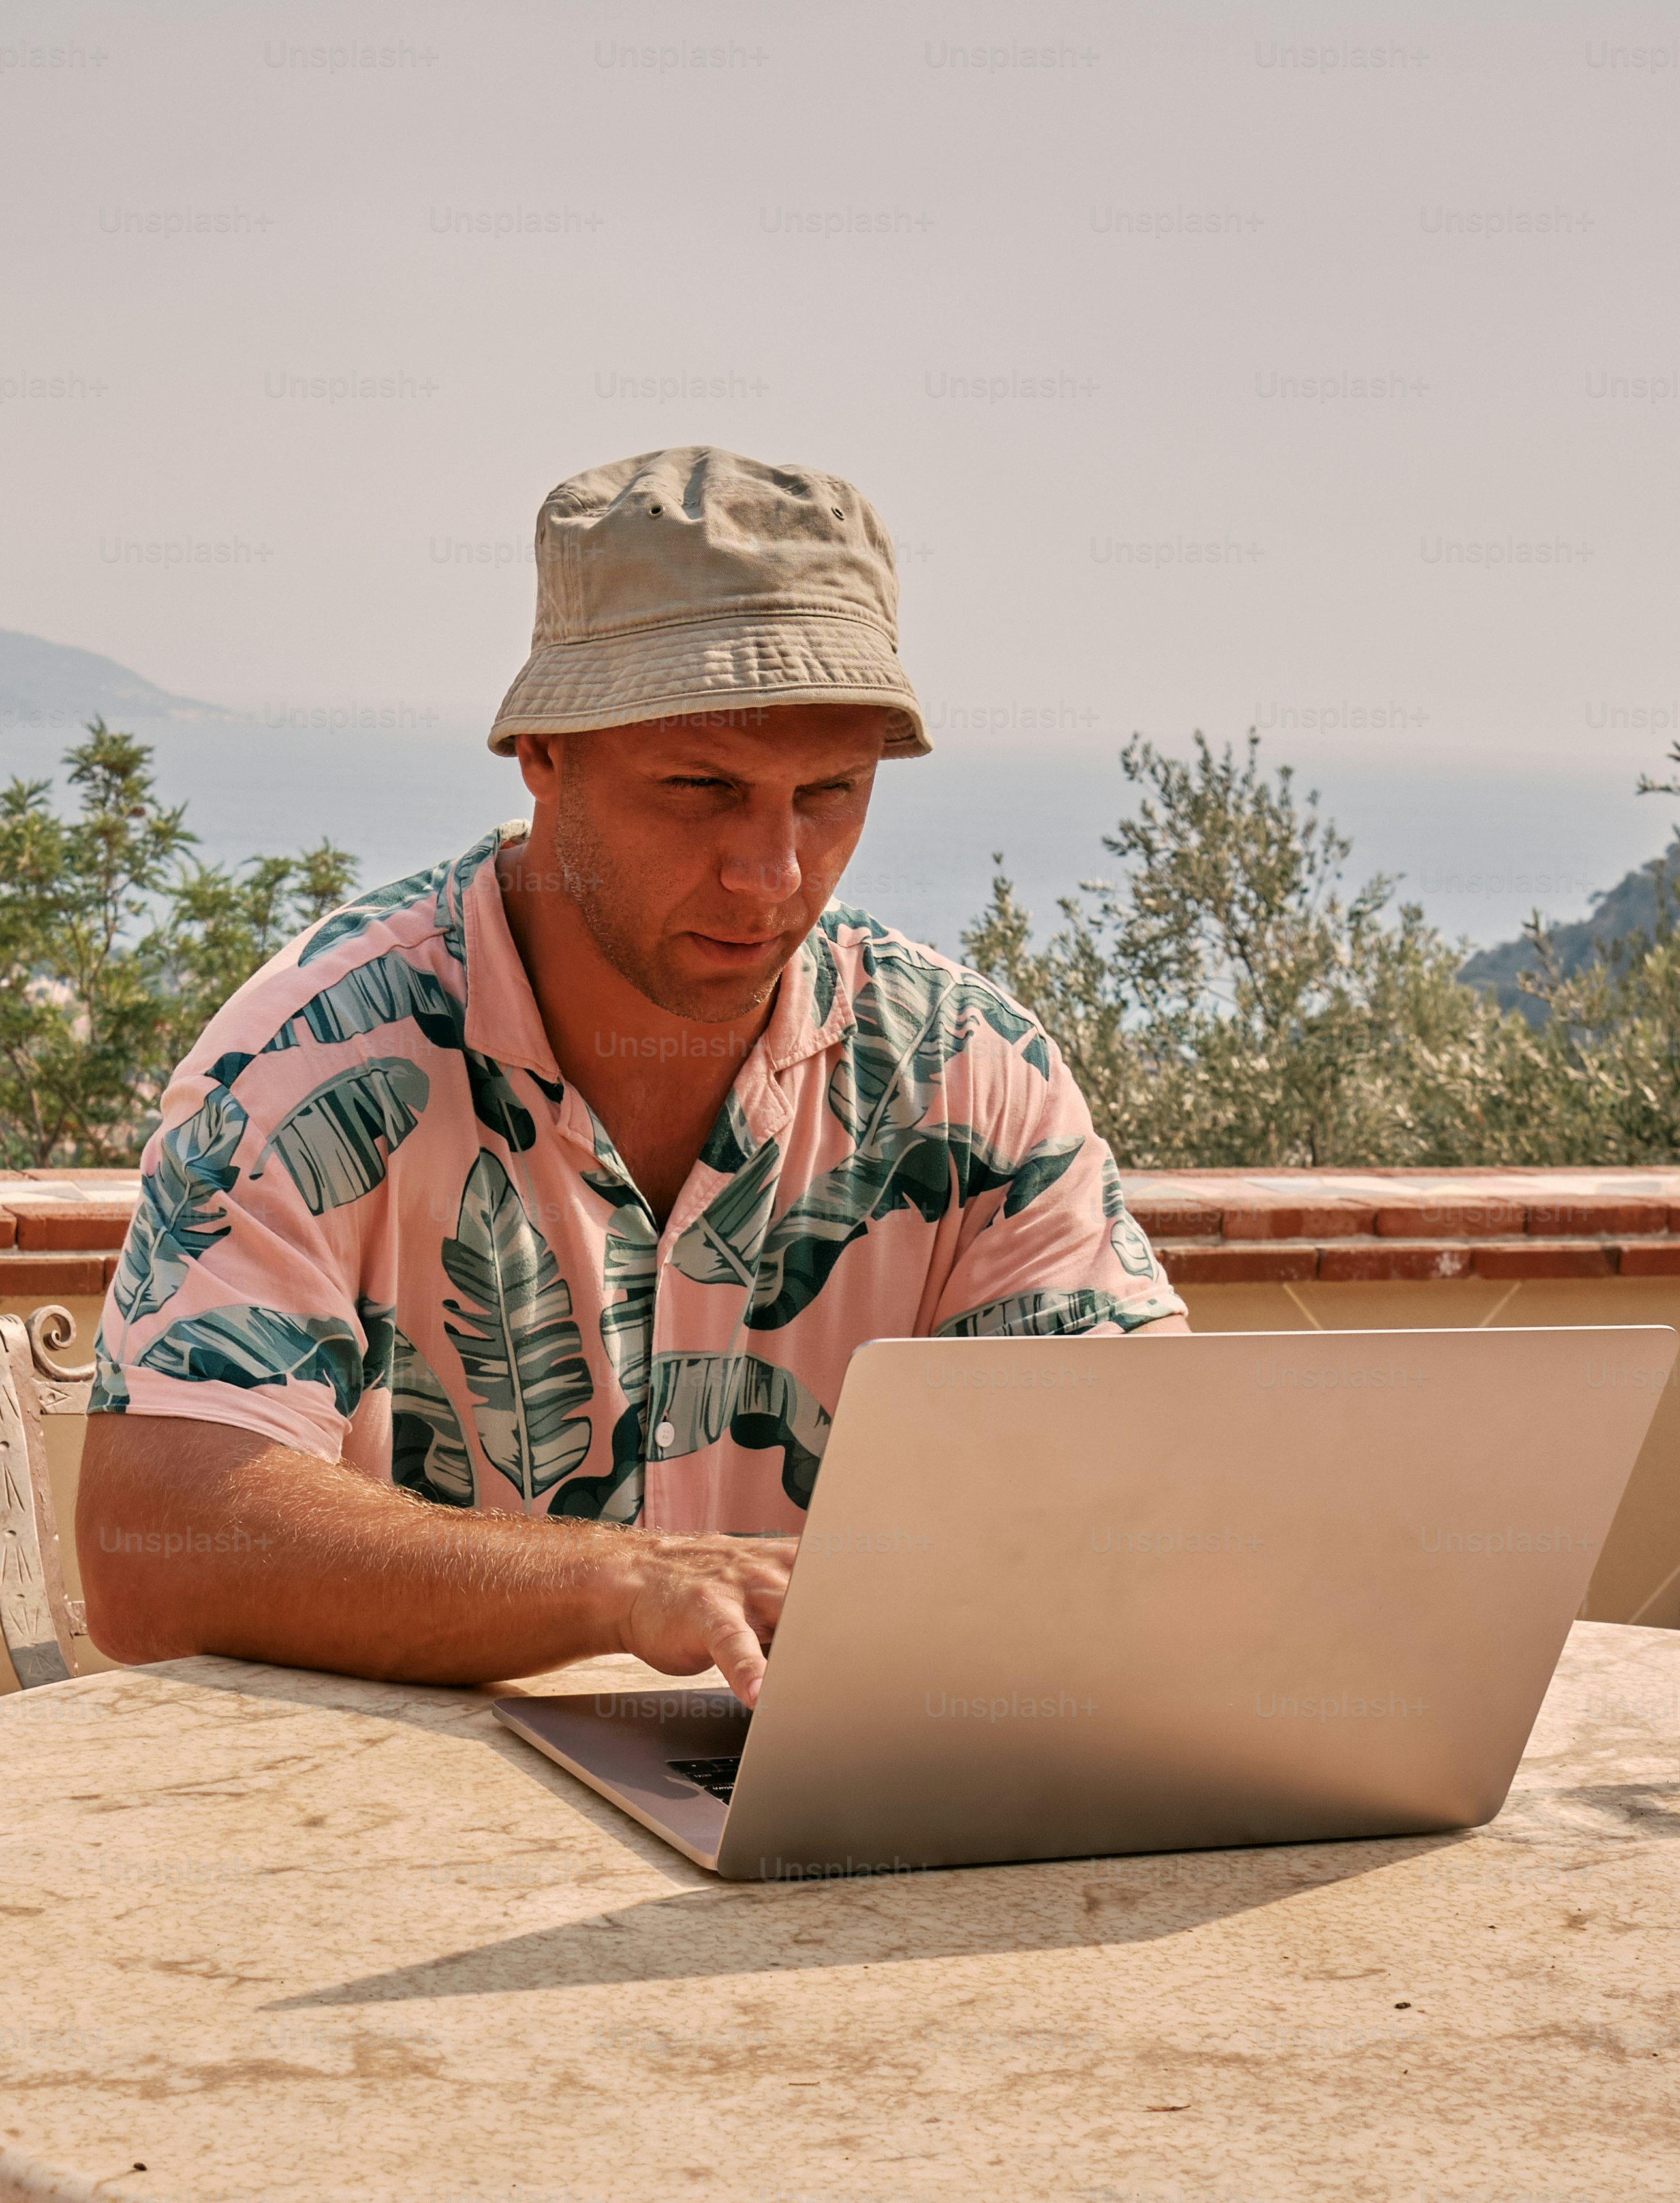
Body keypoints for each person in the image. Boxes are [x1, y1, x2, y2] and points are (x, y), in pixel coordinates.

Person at [78, 446, 1187, 1706]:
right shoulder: (310, 1061)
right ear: (543, 751)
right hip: (391, 1851)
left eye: (828, 795)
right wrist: (621, 1585)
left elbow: (1142, 1490)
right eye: (699, 790)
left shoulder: (976, 1078)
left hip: (823, 1824)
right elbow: (148, 1552)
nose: (771, 874)